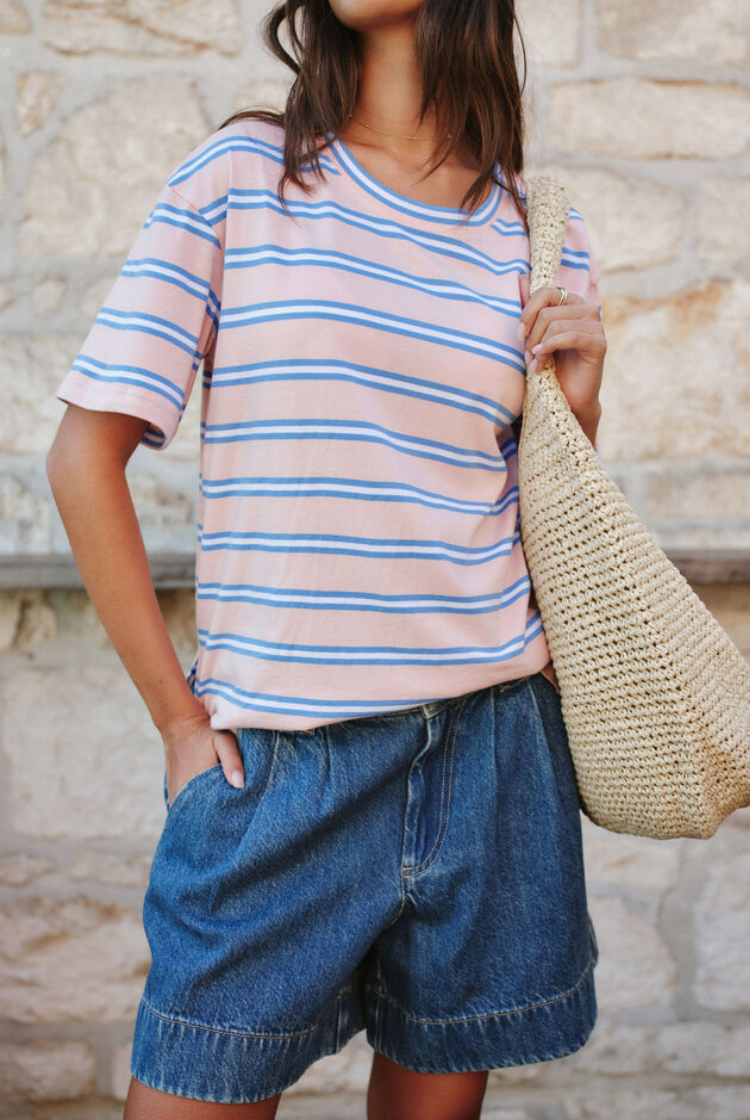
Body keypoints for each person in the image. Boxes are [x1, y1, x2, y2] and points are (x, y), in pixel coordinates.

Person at [46, 1, 606, 1116]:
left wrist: (580, 406)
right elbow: (82, 457)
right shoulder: (244, 177)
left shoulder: (536, 230)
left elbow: (542, 522)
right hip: (281, 769)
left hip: (490, 755)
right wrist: (176, 719)